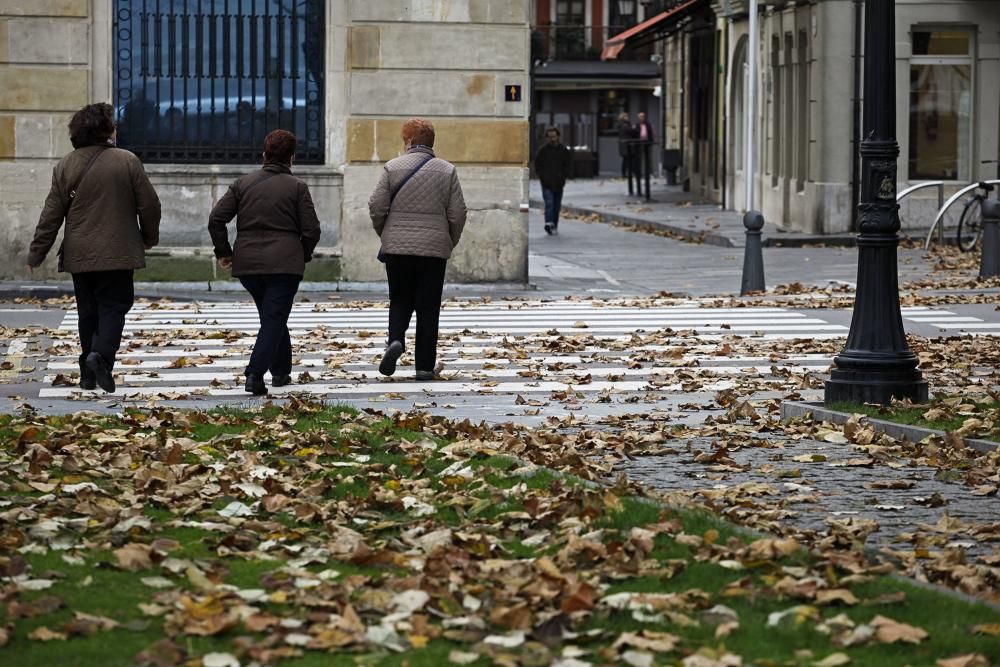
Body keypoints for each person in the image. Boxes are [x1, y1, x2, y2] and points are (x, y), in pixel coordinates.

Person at [27, 102, 161, 394]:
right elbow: (149, 204)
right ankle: (100, 356)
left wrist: (37, 252)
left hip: (80, 253)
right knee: (114, 306)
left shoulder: (65, 165)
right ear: (106, 131)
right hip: (118, 251)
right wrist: (149, 237)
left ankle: (87, 375)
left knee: (87, 312)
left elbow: (51, 214)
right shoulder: (127, 161)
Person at [208, 129, 322, 395]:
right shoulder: (297, 188)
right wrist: (301, 253)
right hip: (284, 264)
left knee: (272, 315)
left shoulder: (241, 184)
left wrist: (224, 252)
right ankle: (255, 373)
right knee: (274, 317)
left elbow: (216, 219)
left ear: (264, 155)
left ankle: (281, 372)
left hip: (247, 263)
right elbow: (312, 230)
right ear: (292, 158)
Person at [368, 118, 467, 381]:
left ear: (409, 142)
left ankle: (395, 340)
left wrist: (386, 233)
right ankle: (424, 366)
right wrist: (448, 240)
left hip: (397, 249)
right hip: (433, 250)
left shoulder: (392, 167)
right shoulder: (447, 171)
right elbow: (458, 213)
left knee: (399, 299)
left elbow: (376, 205)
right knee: (428, 307)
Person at [534, 126, 572, 235]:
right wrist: (542, 176)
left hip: (559, 182)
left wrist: (564, 176)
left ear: (558, 136)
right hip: (546, 182)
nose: (552, 139)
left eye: (554, 137)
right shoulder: (543, 151)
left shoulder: (563, 150)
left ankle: (554, 224)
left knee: (556, 205)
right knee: (549, 203)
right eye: (550, 137)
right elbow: (538, 165)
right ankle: (549, 223)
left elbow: (568, 165)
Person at [616, 111, 636, 178]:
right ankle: (629, 173)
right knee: (629, 160)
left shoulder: (620, 125)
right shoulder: (625, 125)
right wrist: (634, 127)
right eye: (626, 116)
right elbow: (632, 131)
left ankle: (624, 174)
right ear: (623, 117)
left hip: (623, 145)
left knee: (625, 160)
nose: (628, 117)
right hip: (627, 145)